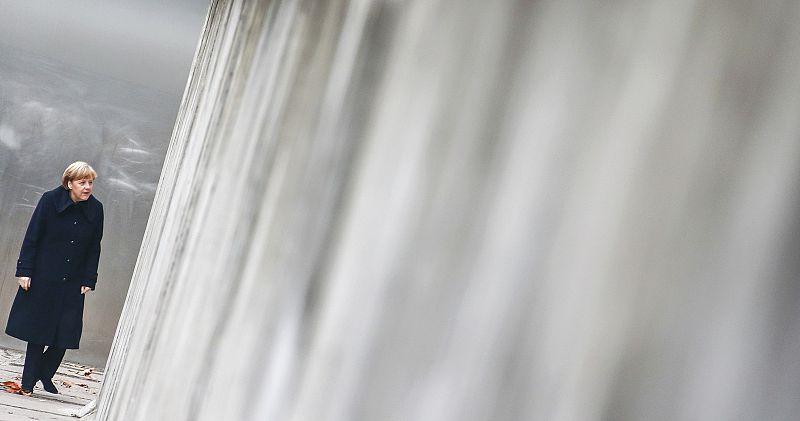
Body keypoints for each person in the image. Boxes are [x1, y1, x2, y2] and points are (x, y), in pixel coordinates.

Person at [6, 161, 104, 396]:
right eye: (82, 182)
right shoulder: (49, 201)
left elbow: (94, 247)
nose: (87, 187)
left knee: (66, 334)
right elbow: (33, 236)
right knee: (38, 333)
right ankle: (28, 383)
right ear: (69, 183)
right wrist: (25, 270)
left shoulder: (96, 208)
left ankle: (44, 372)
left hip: (73, 280)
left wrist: (89, 278)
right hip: (43, 277)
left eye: (90, 182)